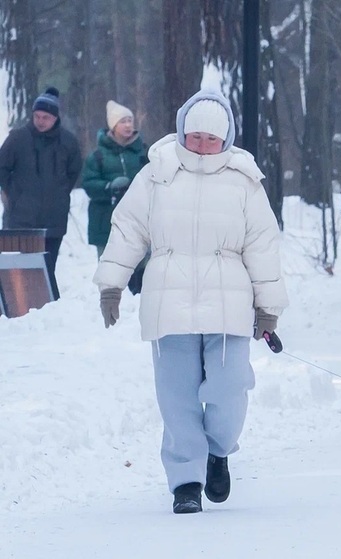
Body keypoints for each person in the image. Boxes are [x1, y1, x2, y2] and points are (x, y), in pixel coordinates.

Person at [92, 89, 288, 514]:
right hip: (169, 302)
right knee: (177, 396)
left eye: (210, 138)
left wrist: (267, 308)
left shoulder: (244, 181)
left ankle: (217, 452)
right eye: (195, 135)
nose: (201, 144)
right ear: (182, 132)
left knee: (229, 387)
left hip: (229, 305)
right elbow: (128, 229)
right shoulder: (157, 173)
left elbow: (263, 246)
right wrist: (112, 283)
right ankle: (185, 481)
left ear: (226, 140)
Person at [0, 87, 83, 298]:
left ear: (55, 117)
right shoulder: (18, 138)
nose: (40, 121)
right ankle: (14, 305)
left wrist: (60, 193)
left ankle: (43, 307)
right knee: (17, 269)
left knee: (47, 267)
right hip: (20, 219)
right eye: (37, 116)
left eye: (46, 117)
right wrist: (12, 191)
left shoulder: (68, 142)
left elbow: (73, 172)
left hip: (53, 219)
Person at [81, 100, 149, 294]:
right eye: (123, 121)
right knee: (110, 265)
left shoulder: (144, 152)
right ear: (113, 125)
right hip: (106, 220)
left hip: (139, 219)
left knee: (142, 264)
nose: (128, 125)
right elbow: (89, 184)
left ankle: (138, 298)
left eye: (130, 120)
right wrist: (109, 187)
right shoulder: (98, 156)